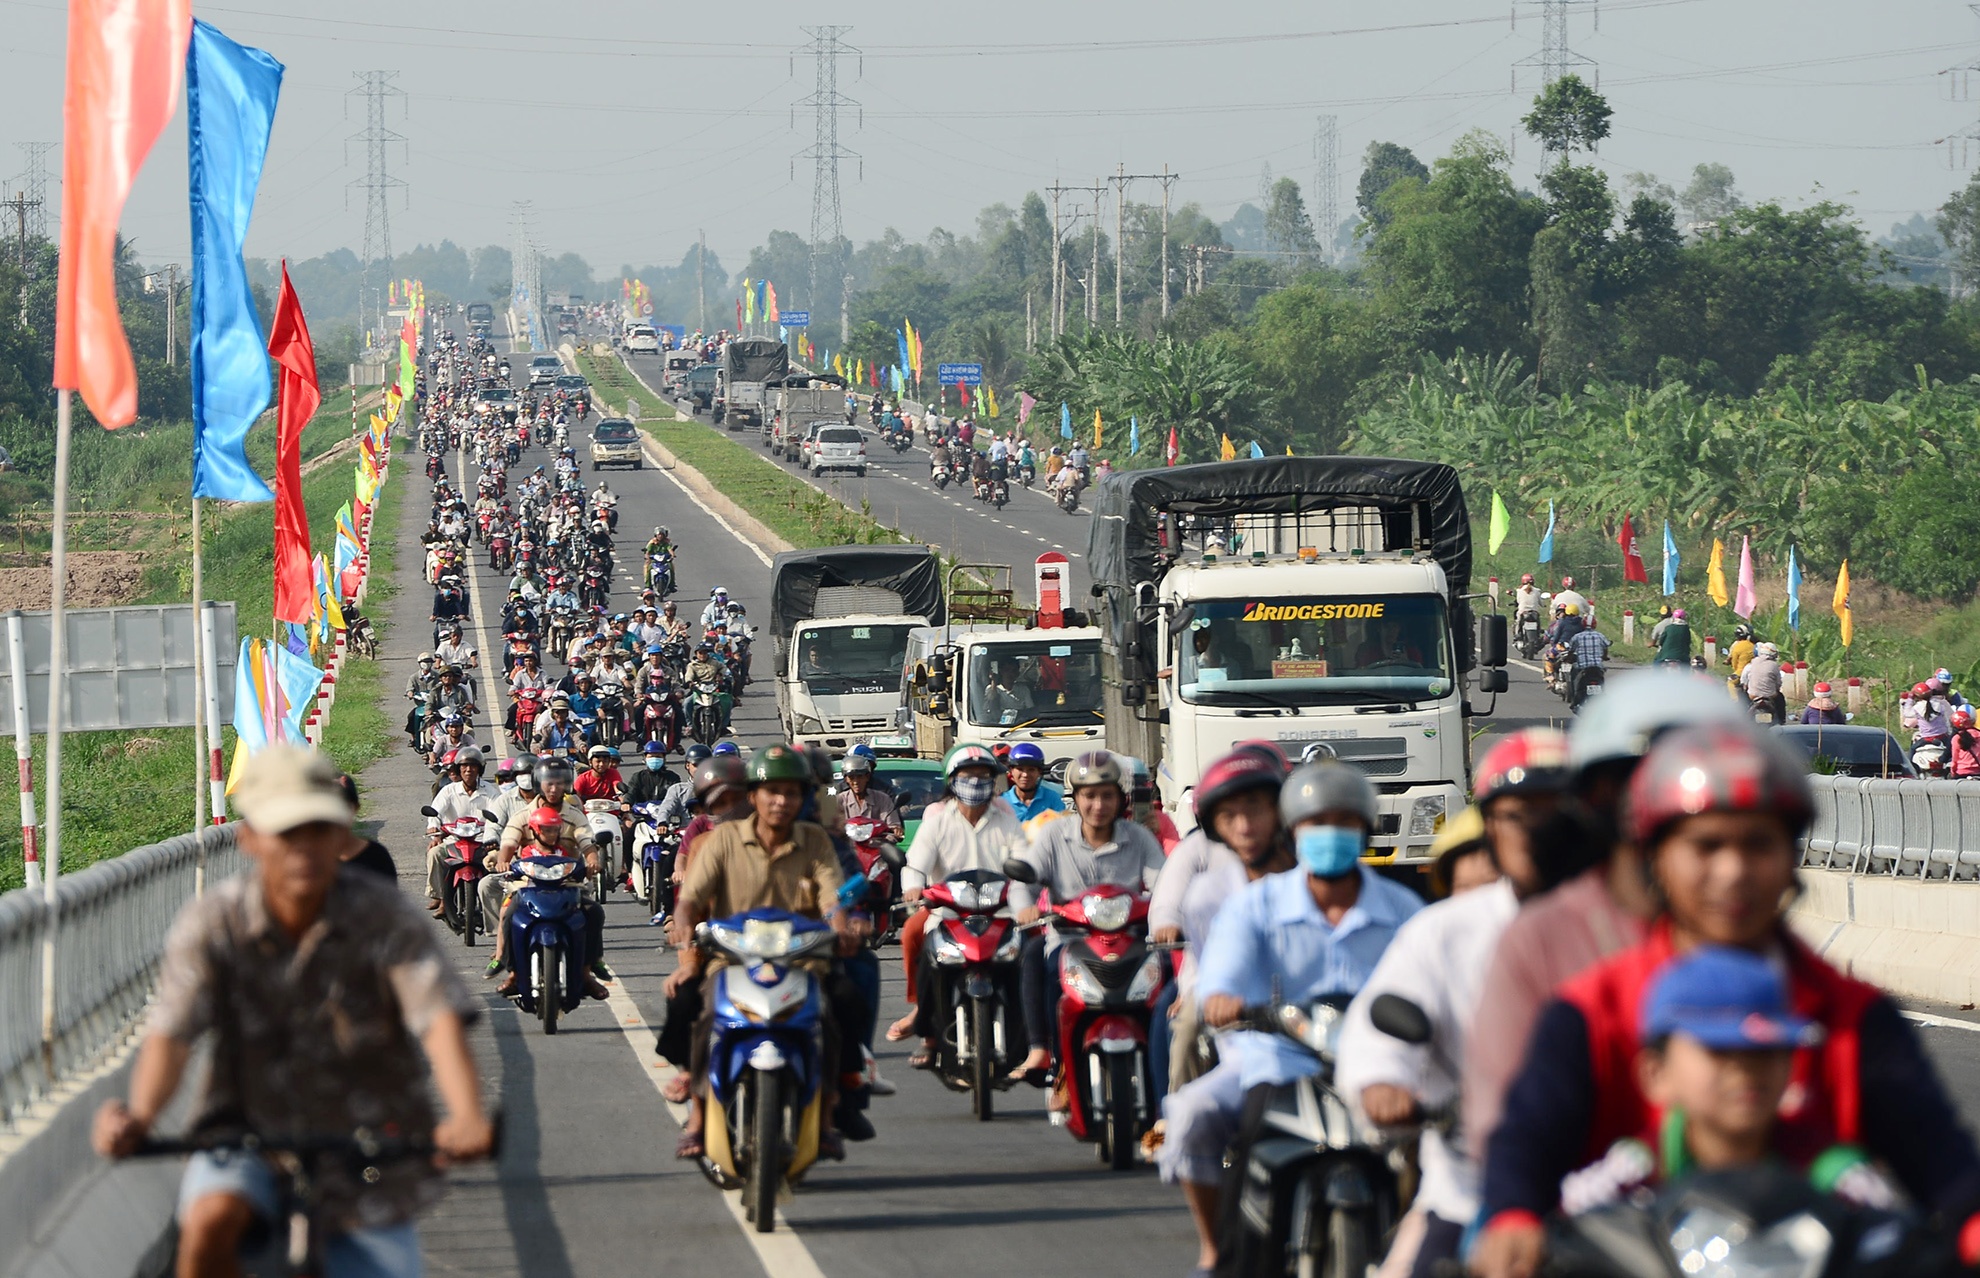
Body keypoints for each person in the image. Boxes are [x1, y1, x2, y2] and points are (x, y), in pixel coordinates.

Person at [1472, 722, 1980, 1278]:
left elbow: (1941, 1160)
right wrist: (1513, 1216)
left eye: (1758, 844)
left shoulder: (1854, 1015)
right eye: (1706, 845)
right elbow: (1528, 1138)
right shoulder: (1592, 1009)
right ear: (1656, 857)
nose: (1733, 872)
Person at [92, 745, 493, 1278]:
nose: (304, 850)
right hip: (243, 1127)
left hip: (368, 1135)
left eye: (318, 830)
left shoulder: (384, 916)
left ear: (341, 835)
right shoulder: (215, 922)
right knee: (211, 1220)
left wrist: (465, 1116)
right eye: (287, 833)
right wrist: (138, 1118)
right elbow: (172, 1033)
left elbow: (438, 1020)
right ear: (250, 839)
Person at [1463, 669, 1752, 1168]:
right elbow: (1503, 1123)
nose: (1668, 805)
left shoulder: (1770, 953)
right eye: (1638, 784)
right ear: (1597, 800)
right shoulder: (1540, 941)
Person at [1332, 729, 1571, 1278]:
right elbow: (1381, 1023)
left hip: (1608, 1192)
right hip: (1469, 1190)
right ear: (1490, 827)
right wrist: (1381, 1083)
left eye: (1558, 812)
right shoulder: (1444, 930)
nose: (1539, 831)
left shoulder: (1633, 925)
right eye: (1518, 815)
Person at [1172, 760, 1421, 1277]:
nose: (1329, 834)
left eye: (1343, 822)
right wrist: (1223, 998)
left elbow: (1434, 986)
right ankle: (1227, 1253)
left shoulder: (1403, 909)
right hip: (1276, 1060)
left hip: (1380, 1068)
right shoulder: (1254, 907)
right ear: (1294, 832)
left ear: (1365, 829)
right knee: (1207, 1124)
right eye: (1314, 824)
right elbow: (1222, 975)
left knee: (1444, 1156)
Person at [665, 745, 867, 1162]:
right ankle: (699, 1119)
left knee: (841, 1004)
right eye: (771, 791)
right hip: (731, 959)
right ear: (753, 795)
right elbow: (692, 897)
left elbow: (832, 895)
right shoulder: (721, 840)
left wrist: (842, 925)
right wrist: (683, 922)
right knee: (703, 1016)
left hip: (802, 959)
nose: (781, 801)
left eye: (791, 793)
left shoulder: (816, 840)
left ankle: (828, 1116)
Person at [1007, 751, 1169, 1083]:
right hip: (1070, 941)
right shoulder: (1054, 835)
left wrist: (1167, 915)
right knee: (1037, 956)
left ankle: (1161, 1071)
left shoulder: (1139, 837)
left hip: (1131, 942)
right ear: (1075, 799)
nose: (1098, 805)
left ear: (1120, 799)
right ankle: (1051, 1056)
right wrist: (1026, 907)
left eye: (1107, 795)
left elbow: (1165, 884)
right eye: (1089, 796)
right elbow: (1025, 881)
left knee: (1166, 978)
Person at [1151, 748, 1290, 1099]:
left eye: (1256, 808)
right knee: (1182, 1030)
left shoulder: (1303, 857)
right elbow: (1171, 907)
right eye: (1231, 813)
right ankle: (1174, 1112)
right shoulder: (1202, 871)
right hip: (1214, 980)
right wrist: (1201, 989)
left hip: (1294, 983)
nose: (1245, 826)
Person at [885, 744, 1030, 1059]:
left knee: (1033, 954)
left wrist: (1027, 903)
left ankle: (1035, 1035)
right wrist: (913, 889)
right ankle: (924, 1020)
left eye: (983, 776)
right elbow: (915, 863)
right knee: (914, 935)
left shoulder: (1005, 817)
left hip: (1001, 912)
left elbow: (1022, 864)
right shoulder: (938, 820)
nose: (976, 783)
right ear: (952, 781)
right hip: (947, 911)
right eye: (968, 776)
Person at [425, 746, 496, 915]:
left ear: (480, 769)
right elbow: (435, 812)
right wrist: (434, 829)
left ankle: (494, 904)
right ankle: (440, 898)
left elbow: (498, 814)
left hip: (481, 841)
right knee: (434, 853)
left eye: (473, 766)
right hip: (454, 840)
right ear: (458, 769)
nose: (468, 770)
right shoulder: (449, 791)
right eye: (464, 766)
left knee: (499, 863)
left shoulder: (490, 792)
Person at [836, 752, 904, 843]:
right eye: (852, 778)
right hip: (849, 851)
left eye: (860, 777)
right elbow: (833, 830)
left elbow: (893, 827)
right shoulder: (839, 801)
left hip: (877, 849)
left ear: (867, 777)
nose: (856, 782)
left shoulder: (883, 799)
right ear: (846, 779)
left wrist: (893, 834)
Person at [1001, 741, 1065, 823]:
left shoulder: (1052, 798)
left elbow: (1062, 828)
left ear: (1039, 772)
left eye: (1031, 770)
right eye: (1020, 769)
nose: (1025, 774)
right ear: (1011, 771)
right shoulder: (1002, 802)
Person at [1564, 616, 1611, 708]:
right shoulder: (1600, 636)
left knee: (1573, 676)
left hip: (1582, 667)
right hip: (1597, 667)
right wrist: (1604, 656)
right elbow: (1605, 647)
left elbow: (1571, 650)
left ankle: (1574, 700)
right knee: (1601, 678)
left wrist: (1568, 659)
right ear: (1595, 625)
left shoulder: (1577, 637)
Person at [1739, 640, 1786, 724]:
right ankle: (1782, 720)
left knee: (1743, 700)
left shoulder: (1752, 663)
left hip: (1753, 695)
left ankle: (1742, 719)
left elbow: (1745, 681)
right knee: (1780, 698)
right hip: (1770, 695)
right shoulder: (1774, 665)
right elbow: (1778, 682)